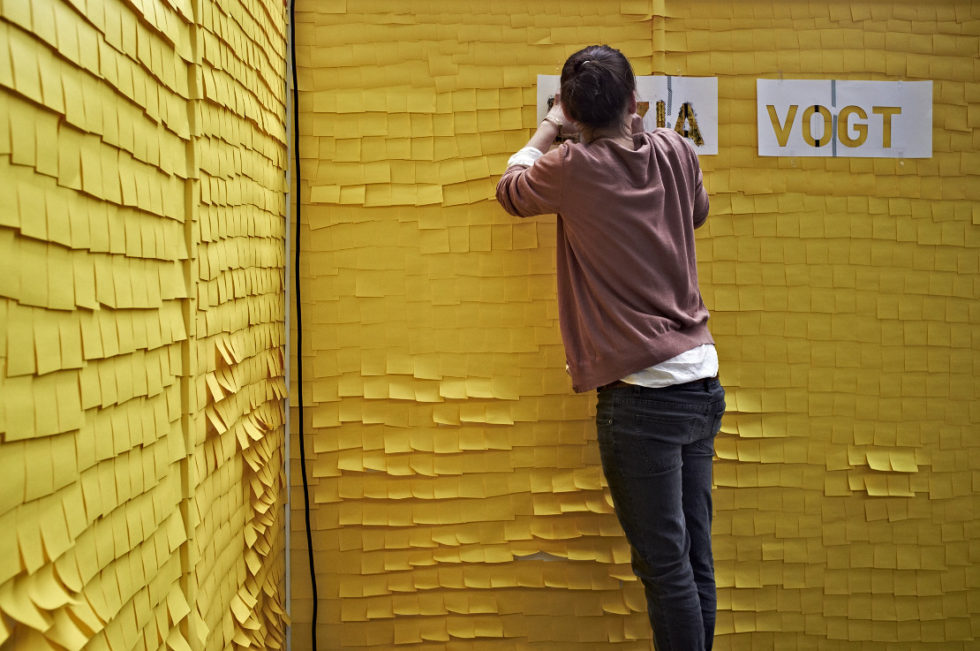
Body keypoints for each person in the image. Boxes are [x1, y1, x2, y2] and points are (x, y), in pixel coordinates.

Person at [495, 45, 726, 651]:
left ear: (572, 112)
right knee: (695, 558)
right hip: (701, 382)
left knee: (666, 569)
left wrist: (550, 126)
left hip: (642, 397)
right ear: (634, 102)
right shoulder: (676, 148)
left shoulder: (569, 166)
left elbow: (510, 188)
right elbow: (696, 214)